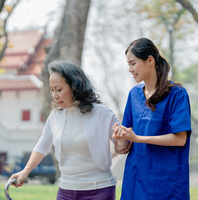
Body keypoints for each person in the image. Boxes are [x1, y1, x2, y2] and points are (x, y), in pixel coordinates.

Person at [9, 60, 120, 200]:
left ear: (75, 86)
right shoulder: (56, 115)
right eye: (52, 90)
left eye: (59, 89)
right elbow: (43, 145)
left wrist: (122, 141)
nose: (55, 95)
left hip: (99, 189)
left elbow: (122, 147)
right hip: (66, 190)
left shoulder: (102, 114)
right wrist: (25, 172)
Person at [113, 38, 192, 200]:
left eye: (133, 63)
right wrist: (121, 139)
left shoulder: (177, 94)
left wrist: (138, 138)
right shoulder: (134, 95)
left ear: (150, 60)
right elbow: (125, 145)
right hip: (135, 179)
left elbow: (180, 139)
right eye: (128, 64)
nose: (129, 69)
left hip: (166, 183)